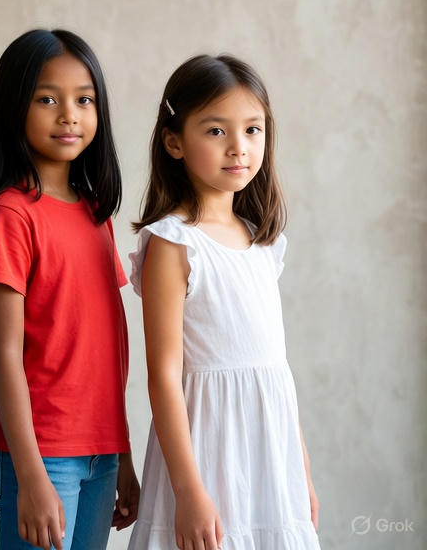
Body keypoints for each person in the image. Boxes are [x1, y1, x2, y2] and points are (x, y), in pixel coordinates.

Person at [128, 54, 320, 550]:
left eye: (253, 130)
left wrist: (299, 469)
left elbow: (275, 373)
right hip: (208, 453)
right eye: (216, 132)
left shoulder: (263, 243)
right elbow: (164, 376)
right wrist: (190, 491)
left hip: (269, 460)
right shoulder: (174, 244)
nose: (239, 148)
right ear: (174, 141)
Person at [0, 29, 139, 550]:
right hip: (41, 452)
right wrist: (30, 475)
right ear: (13, 107)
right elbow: (4, 355)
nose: (69, 114)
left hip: (102, 450)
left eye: (84, 100)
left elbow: (108, 350)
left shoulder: (96, 214)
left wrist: (125, 454)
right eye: (47, 99)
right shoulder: (10, 215)